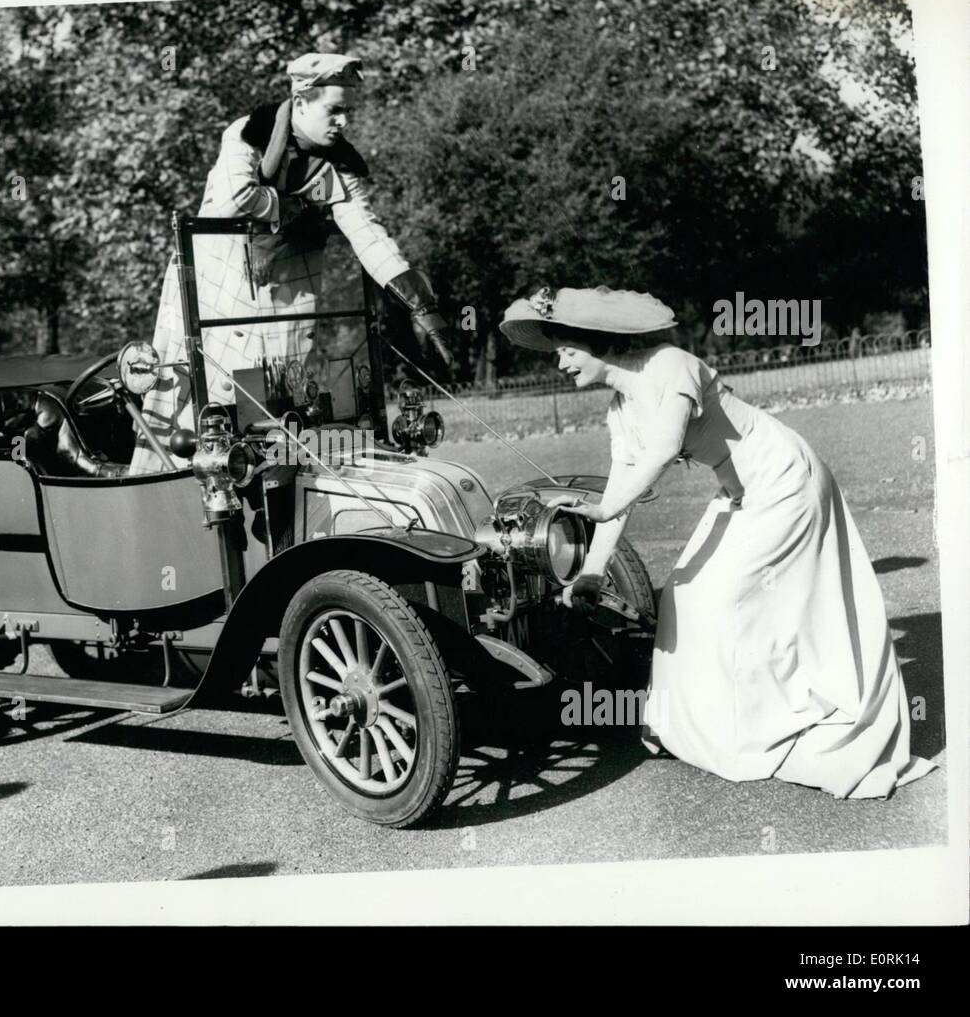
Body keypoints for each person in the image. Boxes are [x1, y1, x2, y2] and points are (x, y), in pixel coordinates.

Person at [499, 286, 936, 800]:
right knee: (682, 594)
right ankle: (703, 725)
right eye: (557, 356)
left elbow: (663, 446)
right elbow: (620, 492)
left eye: (568, 351)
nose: (562, 365)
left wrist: (604, 508)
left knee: (725, 596)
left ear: (600, 344)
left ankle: (772, 718)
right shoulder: (619, 412)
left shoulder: (670, 365)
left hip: (785, 478)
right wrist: (593, 570)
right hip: (740, 493)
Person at [130, 51, 453, 473]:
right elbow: (233, 200)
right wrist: (293, 207)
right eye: (334, 110)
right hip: (216, 296)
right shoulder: (248, 134)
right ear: (301, 101)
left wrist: (421, 305)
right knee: (196, 417)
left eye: (348, 112)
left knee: (283, 426)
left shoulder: (338, 164)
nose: (344, 122)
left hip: (285, 302)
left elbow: (367, 232)